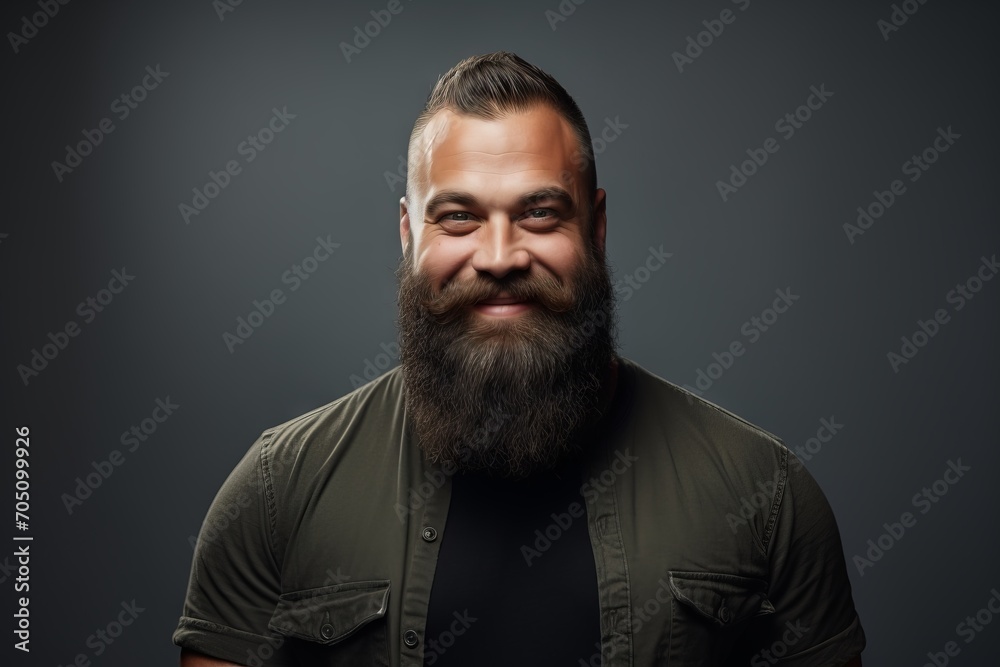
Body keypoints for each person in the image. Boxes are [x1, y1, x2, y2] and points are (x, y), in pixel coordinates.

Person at [174, 51, 866, 666]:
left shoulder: (765, 494)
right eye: (458, 217)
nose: (500, 256)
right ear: (409, 233)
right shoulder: (275, 495)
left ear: (595, 227)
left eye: (539, 213)